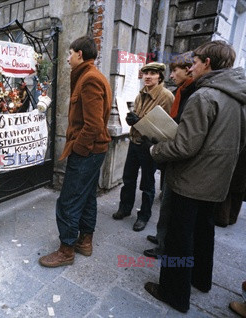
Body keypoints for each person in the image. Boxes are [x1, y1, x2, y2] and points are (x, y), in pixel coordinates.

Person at [144, 40, 246, 313]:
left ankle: (173, 293)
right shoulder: (238, 97)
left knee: (179, 240)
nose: (192, 68)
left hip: (191, 181)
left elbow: (184, 146)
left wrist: (156, 149)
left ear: (207, 63)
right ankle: (201, 280)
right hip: (217, 181)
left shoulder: (204, 96)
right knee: (204, 232)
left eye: (195, 63)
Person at [39, 36, 112, 267]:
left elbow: (93, 125)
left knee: (69, 200)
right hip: (94, 150)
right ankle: (85, 242)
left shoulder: (89, 79)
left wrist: (79, 149)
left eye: (70, 53)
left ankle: (66, 250)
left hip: (87, 151)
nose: (68, 58)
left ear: (80, 54)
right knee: (87, 194)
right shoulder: (93, 76)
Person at [144, 52, 195, 258]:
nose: (173, 75)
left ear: (188, 69)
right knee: (166, 201)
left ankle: (164, 244)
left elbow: (184, 133)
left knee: (169, 204)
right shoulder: (182, 91)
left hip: (174, 154)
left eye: (175, 70)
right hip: (166, 151)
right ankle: (161, 236)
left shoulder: (186, 94)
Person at [112, 62, 174, 232]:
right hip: (135, 141)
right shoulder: (140, 95)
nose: (147, 76)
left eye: (152, 73)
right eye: (145, 73)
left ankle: (143, 216)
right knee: (128, 178)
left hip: (150, 145)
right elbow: (138, 118)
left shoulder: (166, 96)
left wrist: (139, 121)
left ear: (159, 77)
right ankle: (125, 208)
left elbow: (164, 126)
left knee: (147, 183)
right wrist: (132, 119)